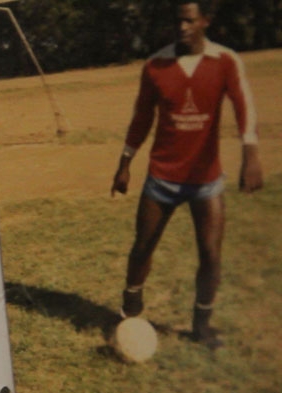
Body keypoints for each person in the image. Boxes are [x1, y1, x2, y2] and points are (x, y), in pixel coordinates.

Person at [111, 0, 263, 349]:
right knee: (143, 246)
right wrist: (124, 163)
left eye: (189, 21)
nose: (182, 27)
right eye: (177, 21)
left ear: (205, 21)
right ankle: (131, 306)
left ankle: (202, 327)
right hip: (162, 178)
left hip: (206, 181)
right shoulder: (156, 66)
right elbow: (141, 118)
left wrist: (251, 153)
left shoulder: (225, 62)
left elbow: (244, 105)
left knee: (210, 253)